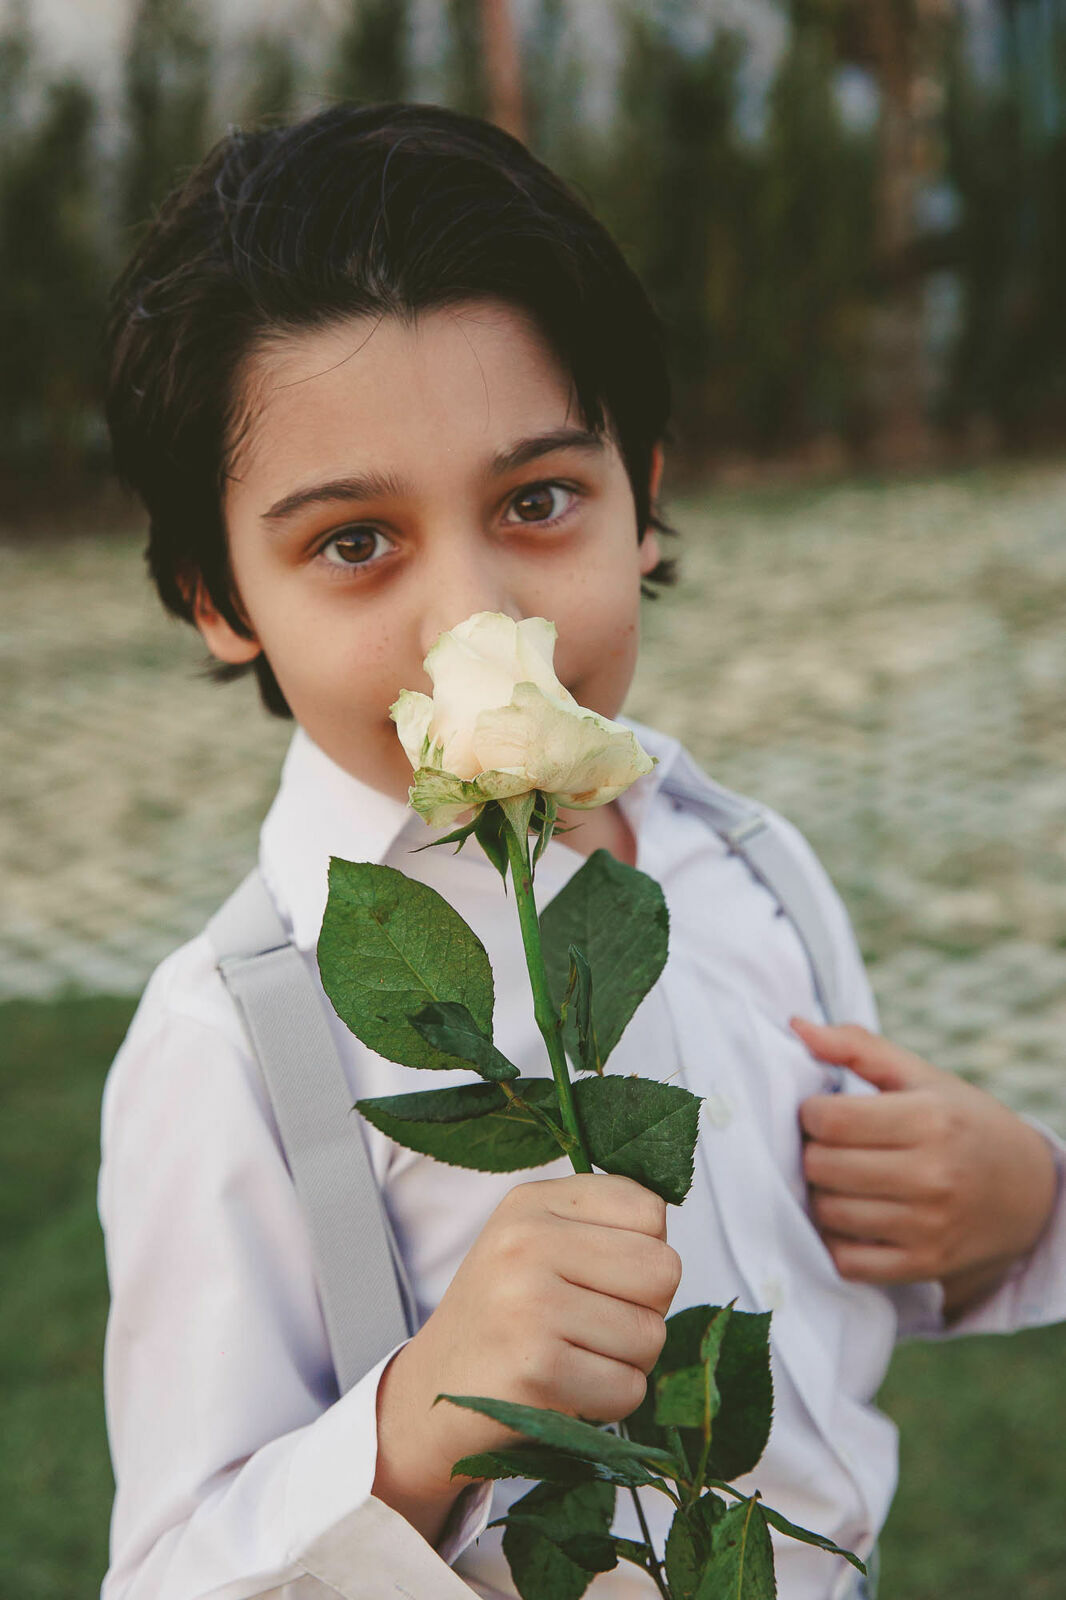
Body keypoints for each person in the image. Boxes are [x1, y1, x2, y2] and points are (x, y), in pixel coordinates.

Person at [98, 102, 1065, 1600]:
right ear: (218, 597)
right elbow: (173, 1565)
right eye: (353, 541)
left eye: (537, 501)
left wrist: (1012, 1213)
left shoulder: (738, 862)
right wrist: (416, 1421)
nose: (476, 617)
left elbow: (797, 1259)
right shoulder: (233, 1039)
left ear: (641, 497)